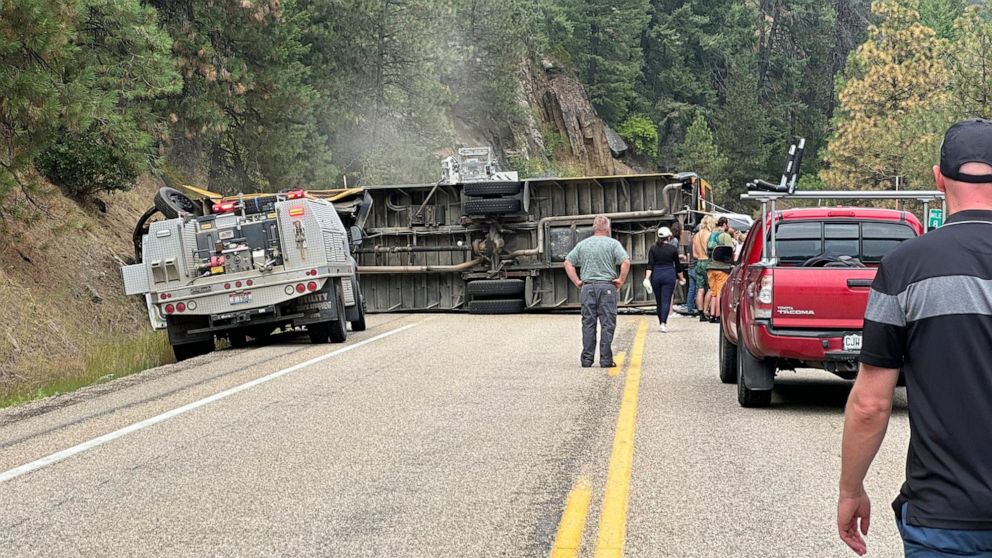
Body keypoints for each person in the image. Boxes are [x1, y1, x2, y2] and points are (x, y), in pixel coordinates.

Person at [838, 118, 992, 557]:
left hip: (944, 521)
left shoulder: (905, 268)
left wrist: (851, 490)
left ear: (939, 178)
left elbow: (871, 403)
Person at [564, 215, 631, 368]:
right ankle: (605, 359)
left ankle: (587, 359)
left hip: (587, 287)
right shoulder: (613, 244)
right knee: (607, 323)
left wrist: (577, 281)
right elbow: (625, 261)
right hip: (606, 286)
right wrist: (620, 280)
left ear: (594, 228)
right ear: (607, 228)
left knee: (588, 323)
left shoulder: (583, 244)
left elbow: (568, 262)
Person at [645, 227, 685, 332]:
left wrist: (646, 278)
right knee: (666, 299)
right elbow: (678, 266)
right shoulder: (672, 249)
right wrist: (682, 278)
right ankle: (663, 323)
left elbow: (650, 265)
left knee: (659, 301)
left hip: (656, 275)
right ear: (669, 236)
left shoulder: (653, 248)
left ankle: (660, 322)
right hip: (669, 275)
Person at [703, 219, 734, 321]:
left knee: (713, 292)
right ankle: (718, 315)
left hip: (710, 267)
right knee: (720, 292)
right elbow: (730, 250)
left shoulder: (711, 235)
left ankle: (711, 314)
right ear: (725, 224)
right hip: (721, 268)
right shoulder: (725, 236)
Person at [692, 216, 716, 320]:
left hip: (699, 263)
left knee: (700, 289)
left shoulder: (696, 235)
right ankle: (706, 310)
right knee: (711, 288)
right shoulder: (711, 235)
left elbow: (694, 254)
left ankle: (700, 313)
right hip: (708, 263)